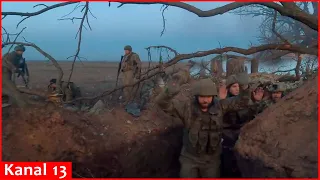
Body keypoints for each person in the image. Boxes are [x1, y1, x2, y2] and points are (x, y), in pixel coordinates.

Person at [155, 72, 254, 178]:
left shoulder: (220, 106)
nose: (205, 100)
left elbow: (242, 102)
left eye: (208, 97)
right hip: (190, 158)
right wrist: (167, 92)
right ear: (196, 96)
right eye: (202, 97)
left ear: (213, 96)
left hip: (212, 160)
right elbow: (163, 105)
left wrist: (244, 88)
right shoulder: (187, 108)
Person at [220, 73, 264, 177]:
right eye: (234, 86)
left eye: (239, 86)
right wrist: (221, 101)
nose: (237, 89)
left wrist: (256, 102)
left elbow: (251, 117)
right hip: (227, 139)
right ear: (228, 88)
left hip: (242, 137)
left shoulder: (246, 101)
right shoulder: (223, 101)